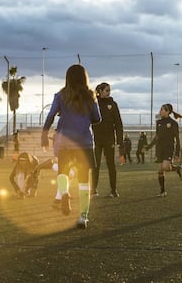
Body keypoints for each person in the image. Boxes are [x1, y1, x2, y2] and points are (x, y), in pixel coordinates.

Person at [41, 64, 101, 229]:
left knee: (63, 173)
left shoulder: (60, 95)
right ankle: (83, 217)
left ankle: (65, 193)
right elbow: (97, 118)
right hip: (85, 142)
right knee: (83, 181)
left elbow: (51, 114)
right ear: (84, 78)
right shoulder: (90, 96)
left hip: (65, 142)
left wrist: (44, 134)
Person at [143, 104, 182, 197]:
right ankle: (163, 191)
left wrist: (177, 153)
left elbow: (177, 139)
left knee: (166, 167)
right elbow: (157, 137)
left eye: (162, 110)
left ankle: (177, 168)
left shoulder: (173, 123)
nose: (160, 111)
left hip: (169, 148)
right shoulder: (158, 122)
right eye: (160, 109)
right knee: (160, 170)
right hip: (160, 148)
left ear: (167, 112)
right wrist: (148, 147)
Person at [91, 82, 124, 197]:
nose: (108, 92)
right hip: (96, 140)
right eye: (106, 90)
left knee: (111, 165)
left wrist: (120, 141)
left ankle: (113, 190)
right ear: (99, 91)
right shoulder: (94, 103)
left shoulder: (113, 104)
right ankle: (93, 189)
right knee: (95, 165)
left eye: (109, 90)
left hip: (109, 139)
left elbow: (118, 123)